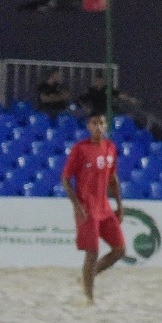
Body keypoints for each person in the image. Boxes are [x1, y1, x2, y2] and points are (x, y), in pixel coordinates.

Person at [62, 112, 125, 304]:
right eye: (94, 123)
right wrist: (76, 204)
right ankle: (89, 298)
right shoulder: (80, 149)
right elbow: (65, 178)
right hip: (87, 208)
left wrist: (120, 205)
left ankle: (85, 278)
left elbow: (113, 178)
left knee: (119, 250)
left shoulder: (110, 148)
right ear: (88, 126)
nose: (98, 126)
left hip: (104, 207)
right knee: (92, 252)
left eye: (102, 123)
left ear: (106, 126)